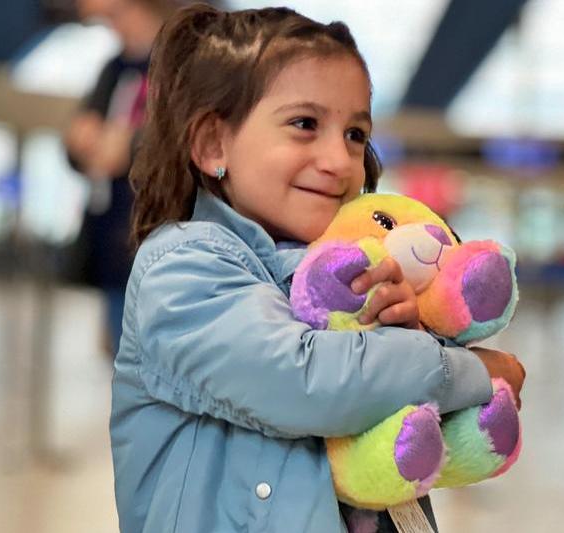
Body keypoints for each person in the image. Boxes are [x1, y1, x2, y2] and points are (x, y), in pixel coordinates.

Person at [110, 4, 526, 533]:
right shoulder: (184, 267)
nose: (339, 159)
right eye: (304, 124)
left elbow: (390, 424)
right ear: (214, 144)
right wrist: (469, 371)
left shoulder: (345, 268)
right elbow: (305, 380)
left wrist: (406, 327)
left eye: (355, 134)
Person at [64, 0, 179, 356]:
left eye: (113, 16)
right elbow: (83, 137)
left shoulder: (180, 62)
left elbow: (183, 137)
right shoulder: (113, 67)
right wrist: (80, 143)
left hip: (160, 237)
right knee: (122, 357)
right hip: (112, 239)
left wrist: (128, 146)